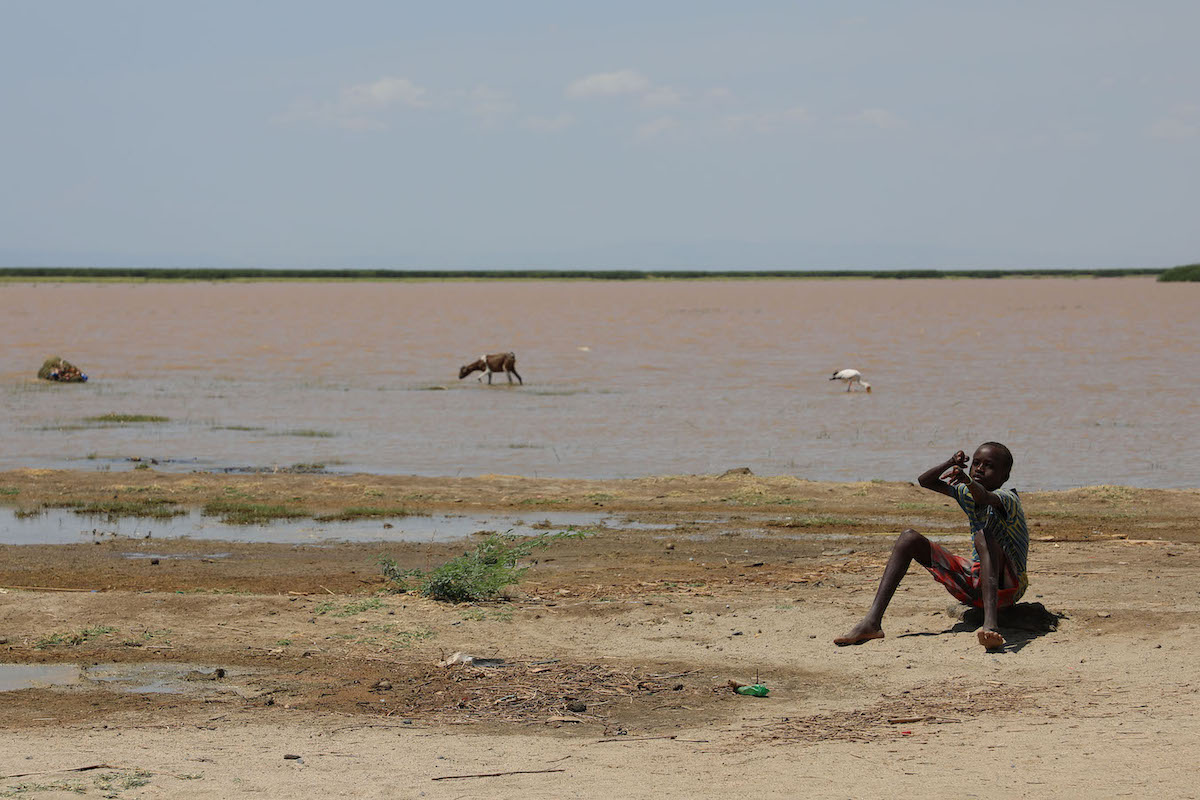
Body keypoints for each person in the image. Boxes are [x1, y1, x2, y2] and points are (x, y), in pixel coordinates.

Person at [834, 442, 1028, 651]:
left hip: (1010, 585)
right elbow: (925, 481)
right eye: (976, 463)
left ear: (1004, 476)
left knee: (984, 535)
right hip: (977, 583)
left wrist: (969, 481)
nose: (979, 469)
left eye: (988, 465)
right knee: (908, 538)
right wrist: (950, 462)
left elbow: (984, 496)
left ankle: (990, 624)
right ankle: (872, 622)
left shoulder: (1008, 499)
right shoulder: (967, 493)